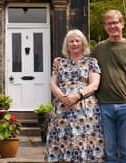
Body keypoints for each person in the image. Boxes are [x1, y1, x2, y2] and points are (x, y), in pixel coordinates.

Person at [91, 9, 126, 163]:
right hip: (103, 107)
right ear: (105, 27)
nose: (112, 26)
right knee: (109, 153)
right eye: (108, 23)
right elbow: (85, 68)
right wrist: (61, 60)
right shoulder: (98, 49)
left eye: (115, 22)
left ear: (122, 24)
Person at [44, 29, 105, 162]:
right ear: (67, 45)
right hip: (62, 108)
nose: (75, 43)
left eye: (78, 41)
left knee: (82, 139)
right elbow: (53, 83)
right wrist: (62, 98)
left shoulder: (91, 62)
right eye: (71, 41)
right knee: (62, 138)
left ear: (83, 44)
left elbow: (94, 85)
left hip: (84, 107)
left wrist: (77, 96)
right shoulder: (59, 63)